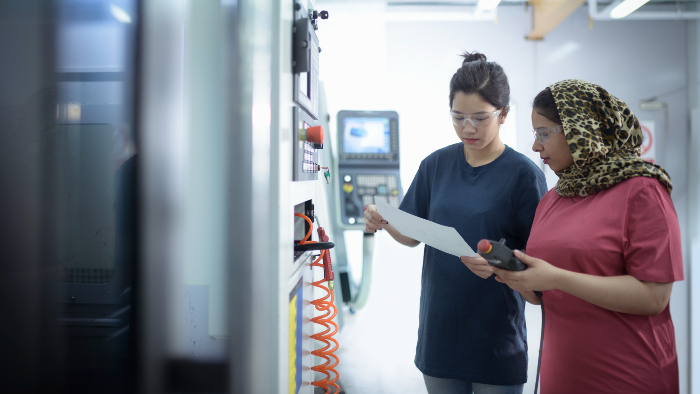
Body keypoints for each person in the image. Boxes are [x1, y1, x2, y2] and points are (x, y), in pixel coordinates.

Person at [364, 52, 547, 394]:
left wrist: (498, 266)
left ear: (504, 113)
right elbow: (412, 236)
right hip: (440, 333)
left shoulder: (524, 175)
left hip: (496, 338)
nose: (468, 128)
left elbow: (539, 265)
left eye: (479, 118)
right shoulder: (435, 165)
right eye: (458, 116)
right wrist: (384, 219)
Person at [493, 79, 683, 393]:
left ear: (581, 130)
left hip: (628, 377)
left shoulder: (643, 190)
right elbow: (545, 293)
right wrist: (519, 278)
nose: (535, 147)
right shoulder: (553, 198)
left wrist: (558, 278)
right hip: (564, 375)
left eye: (543, 134)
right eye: (534, 135)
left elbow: (654, 297)